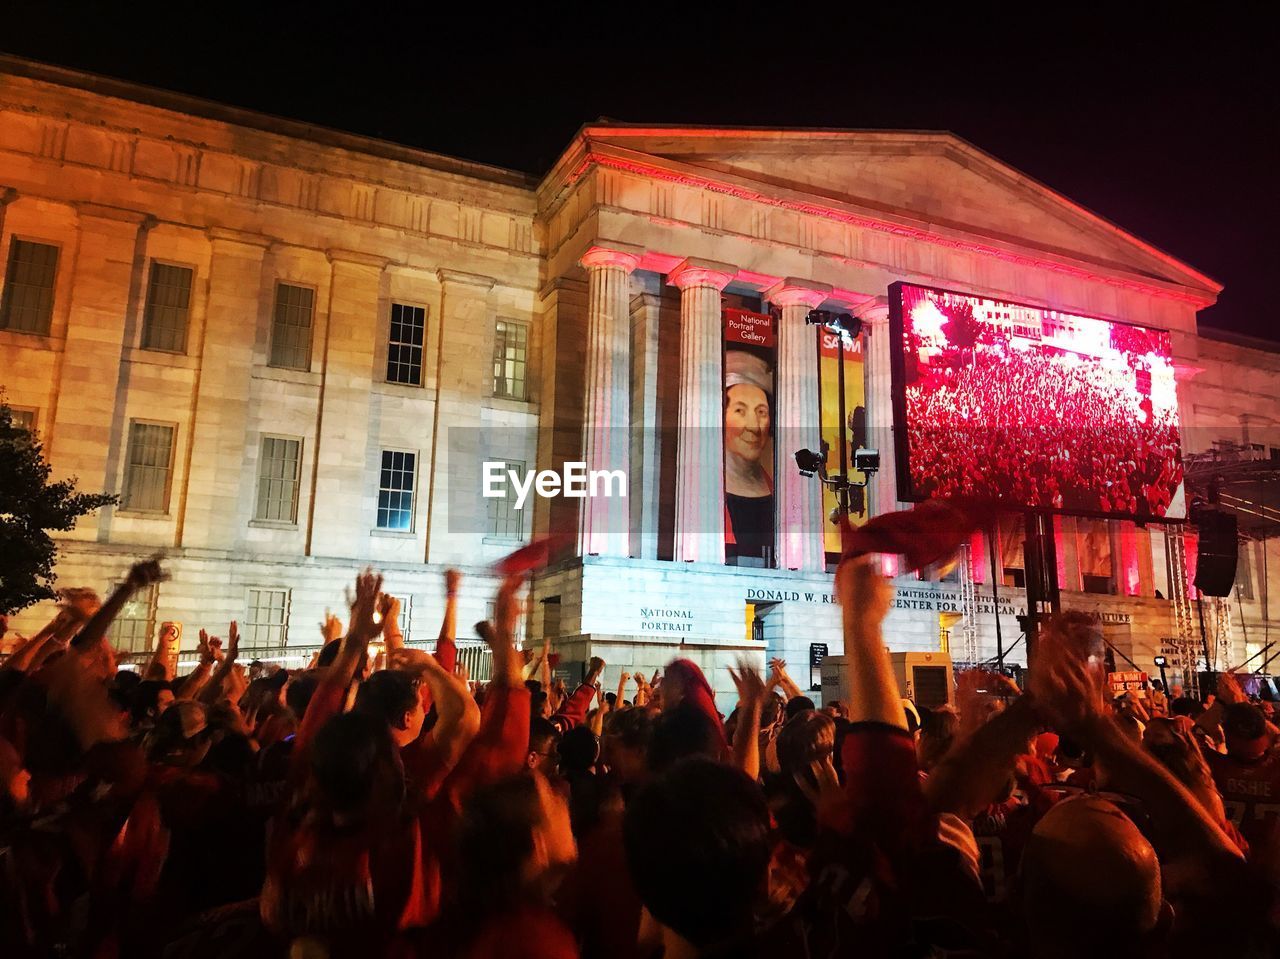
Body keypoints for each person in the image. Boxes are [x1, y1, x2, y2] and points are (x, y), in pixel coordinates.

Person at [723, 348, 774, 561]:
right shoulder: (704, 489)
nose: (754, 427)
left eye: (761, 412)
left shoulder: (776, 492)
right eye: (740, 411)